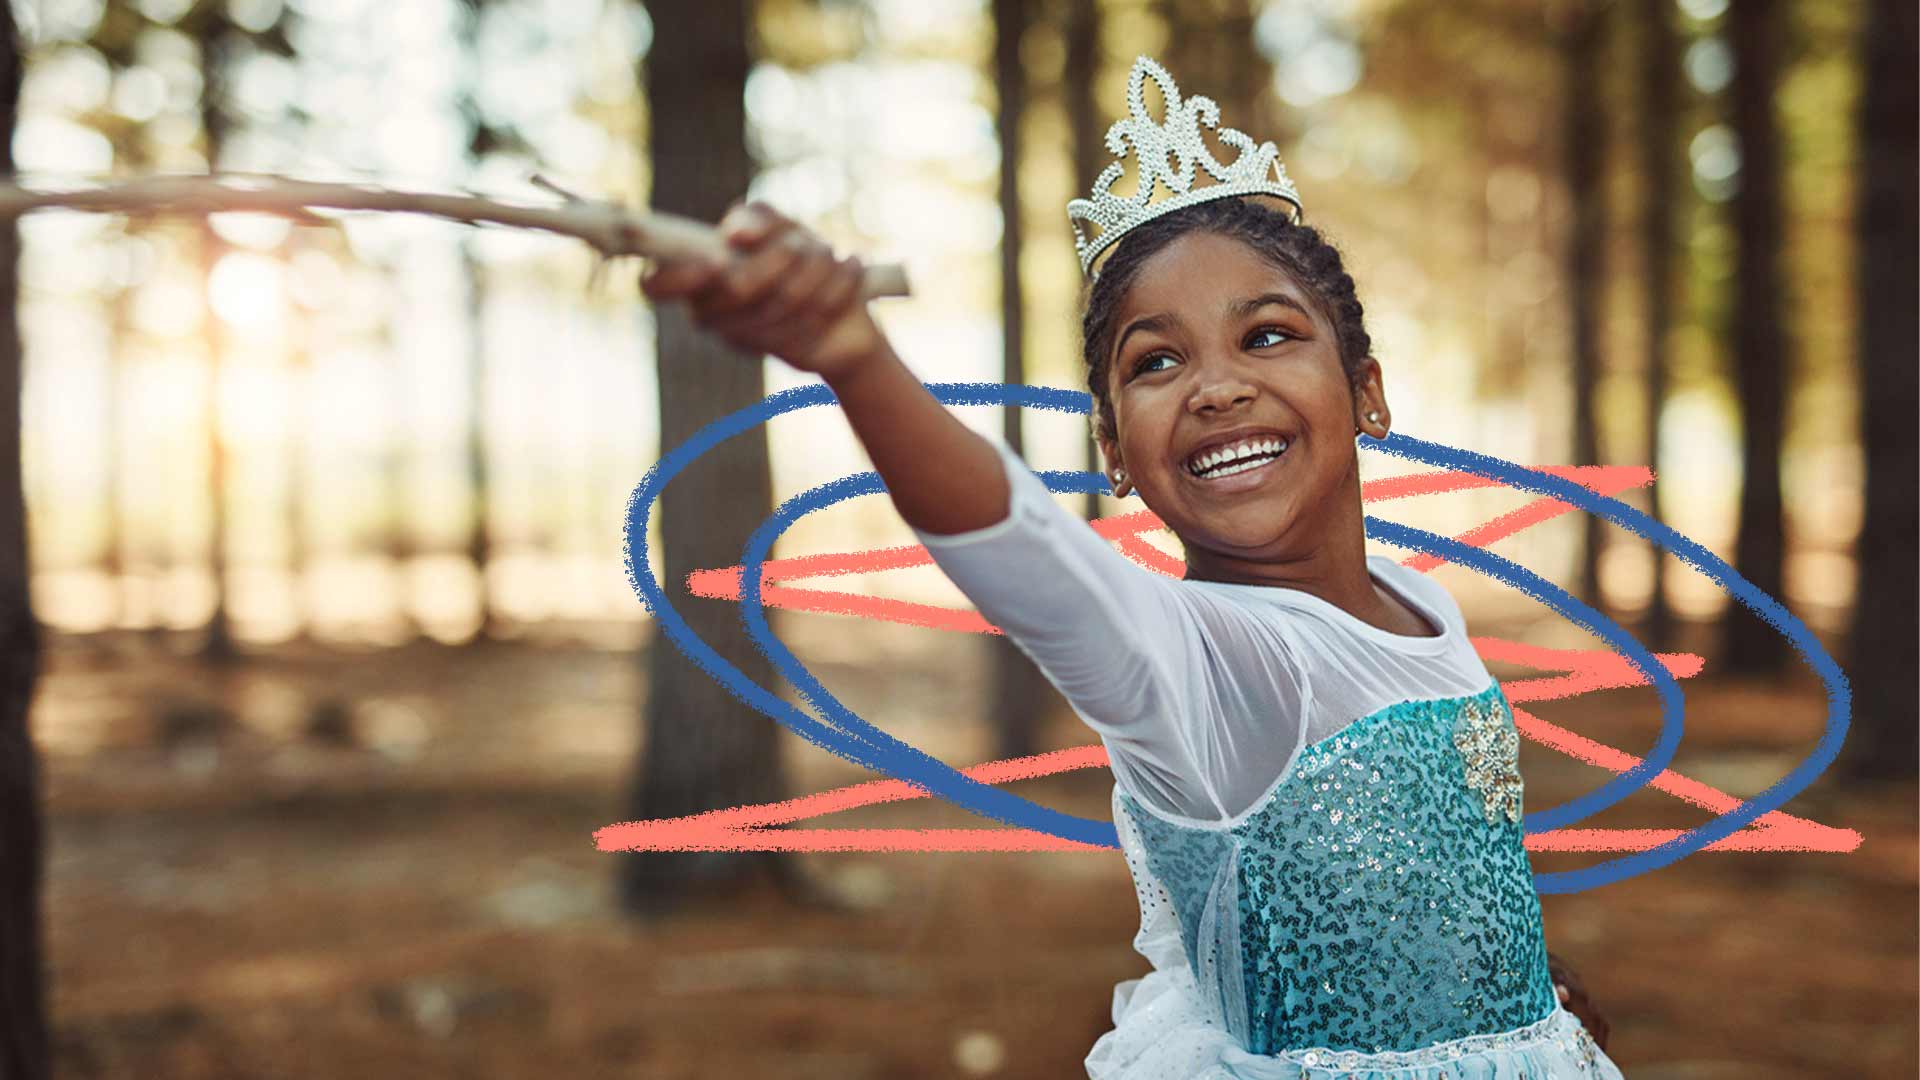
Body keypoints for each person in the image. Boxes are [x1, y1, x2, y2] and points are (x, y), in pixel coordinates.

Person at [640, 52, 1622, 1080]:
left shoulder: (1419, 608)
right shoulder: (1204, 666)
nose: (1216, 388)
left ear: (1366, 391)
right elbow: (1029, 554)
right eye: (1157, 361)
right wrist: (854, 352)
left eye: (1270, 335)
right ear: (1112, 448)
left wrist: (1520, 1010)